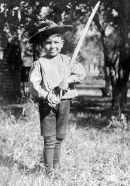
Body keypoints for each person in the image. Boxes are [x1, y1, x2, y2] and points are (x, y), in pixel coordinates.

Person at [28, 20, 86, 175]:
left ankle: (56, 168)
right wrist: (47, 95)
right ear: (42, 45)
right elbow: (34, 85)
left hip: (65, 102)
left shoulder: (68, 61)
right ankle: (48, 172)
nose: (52, 46)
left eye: (55, 42)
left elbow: (81, 73)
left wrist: (67, 80)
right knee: (49, 138)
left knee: (59, 137)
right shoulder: (39, 63)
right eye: (48, 43)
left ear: (62, 44)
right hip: (47, 104)